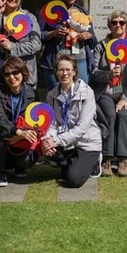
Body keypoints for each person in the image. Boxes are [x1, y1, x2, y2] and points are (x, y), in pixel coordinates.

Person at [90, 10, 127, 177]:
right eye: (114, 23)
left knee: (123, 115)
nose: (118, 25)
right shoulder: (101, 45)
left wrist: (125, 98)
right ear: (109, 25)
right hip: (106, 93)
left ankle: (122, 159)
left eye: (122, 22)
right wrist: (108, 75)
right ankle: (107, 158)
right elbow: (93, 71)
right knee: (110, 115)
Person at [41, 54, 103, 188]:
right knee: (42, 147)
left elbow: (82, 128)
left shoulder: (87, 92)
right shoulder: (52, 95)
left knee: (73, 180)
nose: (65, 73)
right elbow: (52, 124)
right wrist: (48, 139)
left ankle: (94, 161)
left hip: (86, 143)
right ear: (56, 72)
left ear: (74, 71)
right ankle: (71, 164)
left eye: (68, 70)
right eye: (61, 70)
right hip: (66, 143)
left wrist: (55, 141)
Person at [0, 57, 39, 187]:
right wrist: (15, 132)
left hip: (22, 137)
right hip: (4, 137)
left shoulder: (32, 93)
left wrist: (20, 136)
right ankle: (0, 171)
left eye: (15, 72)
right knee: (0, 133)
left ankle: (20, 166)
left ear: (22, 73)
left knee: (27, 160)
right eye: (7, 74)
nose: (11, 77)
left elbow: (38, 121)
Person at [39, 0, 97, 89]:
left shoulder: (83, 12)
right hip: (56, 63)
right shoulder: (48, 10)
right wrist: (53, 34)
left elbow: (94, 41)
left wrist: (88, 36)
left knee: (80, 96)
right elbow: (38, 37)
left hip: (80, 61)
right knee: (57, 99)